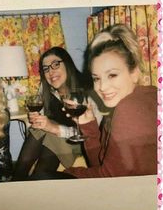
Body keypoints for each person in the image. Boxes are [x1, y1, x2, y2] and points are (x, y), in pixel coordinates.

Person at [64, 24, 157, 178]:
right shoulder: (146, 95)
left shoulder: (129, 108)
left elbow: (108, 178)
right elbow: (102, 164)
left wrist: (65, 174)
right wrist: (88, 124)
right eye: (96, 78)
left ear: (134, 73)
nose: (102, 87)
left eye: (112, 75)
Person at [12, 47, 101, 181]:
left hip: (81, 142)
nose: (51, 72)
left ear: (67, 63)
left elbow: (93, 134)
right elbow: (44, 117)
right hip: (59, 138)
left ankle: (31, 182)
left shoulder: (87, 89)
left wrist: (55, 128)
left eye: (55, 64)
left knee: (52, 137)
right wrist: (37, 119)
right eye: (46, 69)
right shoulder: (47, 89)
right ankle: (18, 181)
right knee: (38, 130)